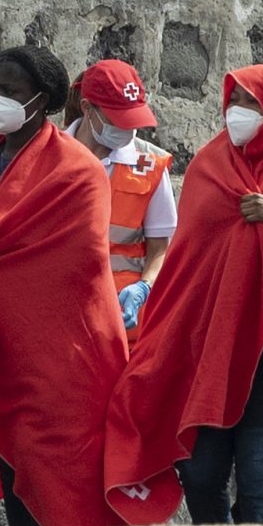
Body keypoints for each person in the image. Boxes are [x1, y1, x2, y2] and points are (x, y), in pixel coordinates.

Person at [104, 65, 263, 525]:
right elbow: (187, 262)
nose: (238, 112)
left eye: (251, 103)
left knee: (262, 474)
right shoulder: (210, 167)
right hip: (212, 347)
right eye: (233, 101)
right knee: (201, 473)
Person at [0, 46, 126, 526]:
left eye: (9, 91)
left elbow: (75, 267)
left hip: (54, 363)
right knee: (10, 485)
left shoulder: (77, 172)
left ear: (41, 100)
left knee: (49, 488)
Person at [63, 59, 176, 335]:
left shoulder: (150, 164)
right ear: (88, 109)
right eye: (118, 120)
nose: (127, 129)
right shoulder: (50, 155)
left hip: (123, 320)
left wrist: (144, 287)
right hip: (60, 313)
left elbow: (160, 249)